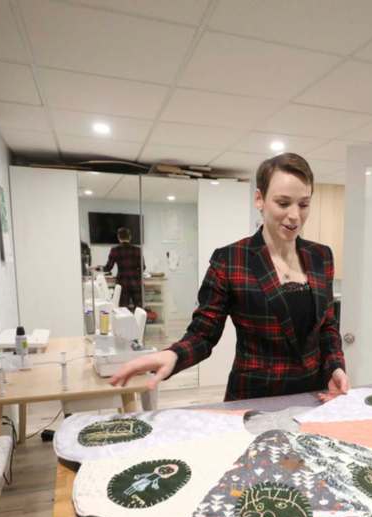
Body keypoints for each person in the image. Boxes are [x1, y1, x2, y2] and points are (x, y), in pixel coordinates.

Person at [110, 153, 350, 402]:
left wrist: (336, 366)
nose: (295, 216)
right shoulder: (231, 259)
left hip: (314, 395)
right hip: (253, 399)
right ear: (260, 199)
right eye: (283, 203)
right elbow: (203, 334)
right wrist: (173, 355)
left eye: (303, 204)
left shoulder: (321, 256)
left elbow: (327, 327)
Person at [104, 226, 143, 310]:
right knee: (139, 309)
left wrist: (98, 268)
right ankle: (139, 323)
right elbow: (143, 267)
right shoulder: (138, 250)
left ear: (118, 237)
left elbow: (108, 268)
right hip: (135, 282)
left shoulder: (115, 250)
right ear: (130, 237)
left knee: (122, 309)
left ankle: (125, 323)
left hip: (122, 282)